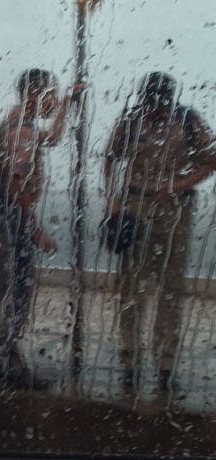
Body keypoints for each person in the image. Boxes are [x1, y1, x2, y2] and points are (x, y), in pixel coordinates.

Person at [104, 71, 216, 393]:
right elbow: (111, 159)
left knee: (171, 288)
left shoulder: (189, 121)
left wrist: (177, 185)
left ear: (170, 100)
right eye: (151, 104)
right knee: (130, 288)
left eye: (161, 104)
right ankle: (130, 361)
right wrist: (113, 199)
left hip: (174, 211)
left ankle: (165, 364)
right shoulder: (131, 121)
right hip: (134, 206)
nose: (156, 111)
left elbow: (210, 161)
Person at [0, 69, 83, 389]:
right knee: (14, 290)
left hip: (6, 216)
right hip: (13, 218)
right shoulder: (21, 129)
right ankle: (5, 362)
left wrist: (66, 103)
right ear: (34, 92)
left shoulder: (22, 125)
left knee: (0, 287)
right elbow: (16, 182)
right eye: (51, 94)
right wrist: (35, 229)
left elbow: (53, 138)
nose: (52, 101)